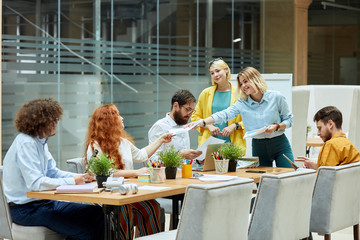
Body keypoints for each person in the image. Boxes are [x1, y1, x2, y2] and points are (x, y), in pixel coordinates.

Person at [2, 98, 104, 240]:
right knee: (84, 232)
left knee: (97, 213)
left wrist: (80, 177)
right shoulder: (26, 143)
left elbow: (53, 172)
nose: (57, 123)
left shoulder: (40, 141)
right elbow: (35, 183)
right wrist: (72, 181)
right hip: (25, 209)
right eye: (54, 119)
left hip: (44, 203)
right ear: (41, 122)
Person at [84, 104, 174, 239]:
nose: (122, 118)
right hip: (105, 196)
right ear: (109, 121)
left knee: (152, 206)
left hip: (125, 194)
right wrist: (135, 173)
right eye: (118, 115)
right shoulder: (94, 145)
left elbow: (141, 155)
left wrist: (161, 140)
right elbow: (104, 173)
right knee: (124, 211)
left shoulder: (123, 142)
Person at [189, 66, 294, 168]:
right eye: (241, 83)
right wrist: (203, 122)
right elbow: (224, 114)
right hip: (259, 146)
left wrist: (277, 126)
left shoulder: (276, 97)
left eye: (246, 81)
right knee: (262, 182)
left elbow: (289, 120)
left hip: (279, 144)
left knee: (289, 177)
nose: (243, 85)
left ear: (255, 79)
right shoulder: (242, 103)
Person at [190, 58, 246, 148]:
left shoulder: (240, 93)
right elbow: (195, 117)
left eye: (217, 71)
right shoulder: (206, 93)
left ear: (226, 70)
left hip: (233, 144)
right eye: (212, 73)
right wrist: (208, 125)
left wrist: (234, 126)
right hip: (209, 143)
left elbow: (249, 118)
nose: (215, 75)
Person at [148, 89, 202, 160]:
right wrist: (180, 155)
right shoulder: (159, 127)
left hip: (186, 170)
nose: (190, 114)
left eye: (192, 111)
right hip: (168, 171)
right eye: (188, 109)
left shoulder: (184, 125)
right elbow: (153, 160)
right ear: (175, 106)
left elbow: (185, 160)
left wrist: (197, 160)